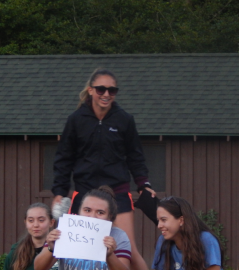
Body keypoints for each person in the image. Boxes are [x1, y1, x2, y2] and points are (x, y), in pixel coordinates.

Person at [51, 68, 155, 270]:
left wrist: (143, 183)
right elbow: (64, 158)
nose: (106, 94)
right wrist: (59, 191)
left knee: (130, 249)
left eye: (112, 90)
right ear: (90, 90)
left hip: (118, 191)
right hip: (84, 191)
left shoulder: (124, 119)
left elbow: (135, 155)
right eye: (101, 89)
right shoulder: (76, 120)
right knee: (75, 247)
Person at [36, 186, 131, 270]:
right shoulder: (64, 230)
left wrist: (110, 256)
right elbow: (38, 268)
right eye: (87, 210)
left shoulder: (118, 236)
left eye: (100, 212)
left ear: (110, 217)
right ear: (79, 211)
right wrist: (51, 249)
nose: (92, 216)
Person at [152, 196, 222, 270]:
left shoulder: (206, 239)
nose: (159, 226)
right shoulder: (163, 242)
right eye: (158, 221)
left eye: (163, 220)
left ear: (181, 220)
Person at [4, 203, 55, 270]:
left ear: (51, 222)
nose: (35, 225)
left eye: (41, 220)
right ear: (25, 223)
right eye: (31, 220)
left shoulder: (61, 249)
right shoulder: (16, 252)